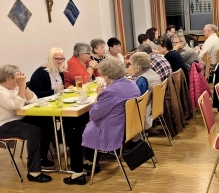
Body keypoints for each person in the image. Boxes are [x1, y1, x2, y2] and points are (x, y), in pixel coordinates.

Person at [63, 57, 140, 185]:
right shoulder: (131, 84)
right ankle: (91, 162)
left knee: (73, 136)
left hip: (111, 132)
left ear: (107, 74)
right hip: (127, 127)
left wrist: (98, 97)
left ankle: (77, 174)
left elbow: (93, 115)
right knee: (84, 126)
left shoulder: (111, 91)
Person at [0, 65, 52, 183]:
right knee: (33, 131)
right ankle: (34, 172)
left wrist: (23, 86)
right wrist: (22, 85)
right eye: (17, 77)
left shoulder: (13, 87)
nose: (20, 79)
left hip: (14, 119)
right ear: (9, 79)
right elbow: (16, 106)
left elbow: (33, 100)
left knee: (45, 120)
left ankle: (42, 157)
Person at [29, 47, 67, 166]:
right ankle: (42, 157)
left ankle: (66, 143)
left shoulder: (59, 71)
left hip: (55, 105)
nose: (60, 61)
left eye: (62, 58)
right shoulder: (40, 73)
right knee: (46, 125)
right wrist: (54, 91)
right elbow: (37, 95)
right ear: (50, 58)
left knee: (72, 119)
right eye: (57, 58)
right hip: (41, 109)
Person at [127, 52, 161, 130]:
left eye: (131, 65)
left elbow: (136, 101)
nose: (129, 67)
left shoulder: (142, 80)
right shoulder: (152, 72)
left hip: (144, 112)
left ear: (138, 68)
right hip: (154, 108)